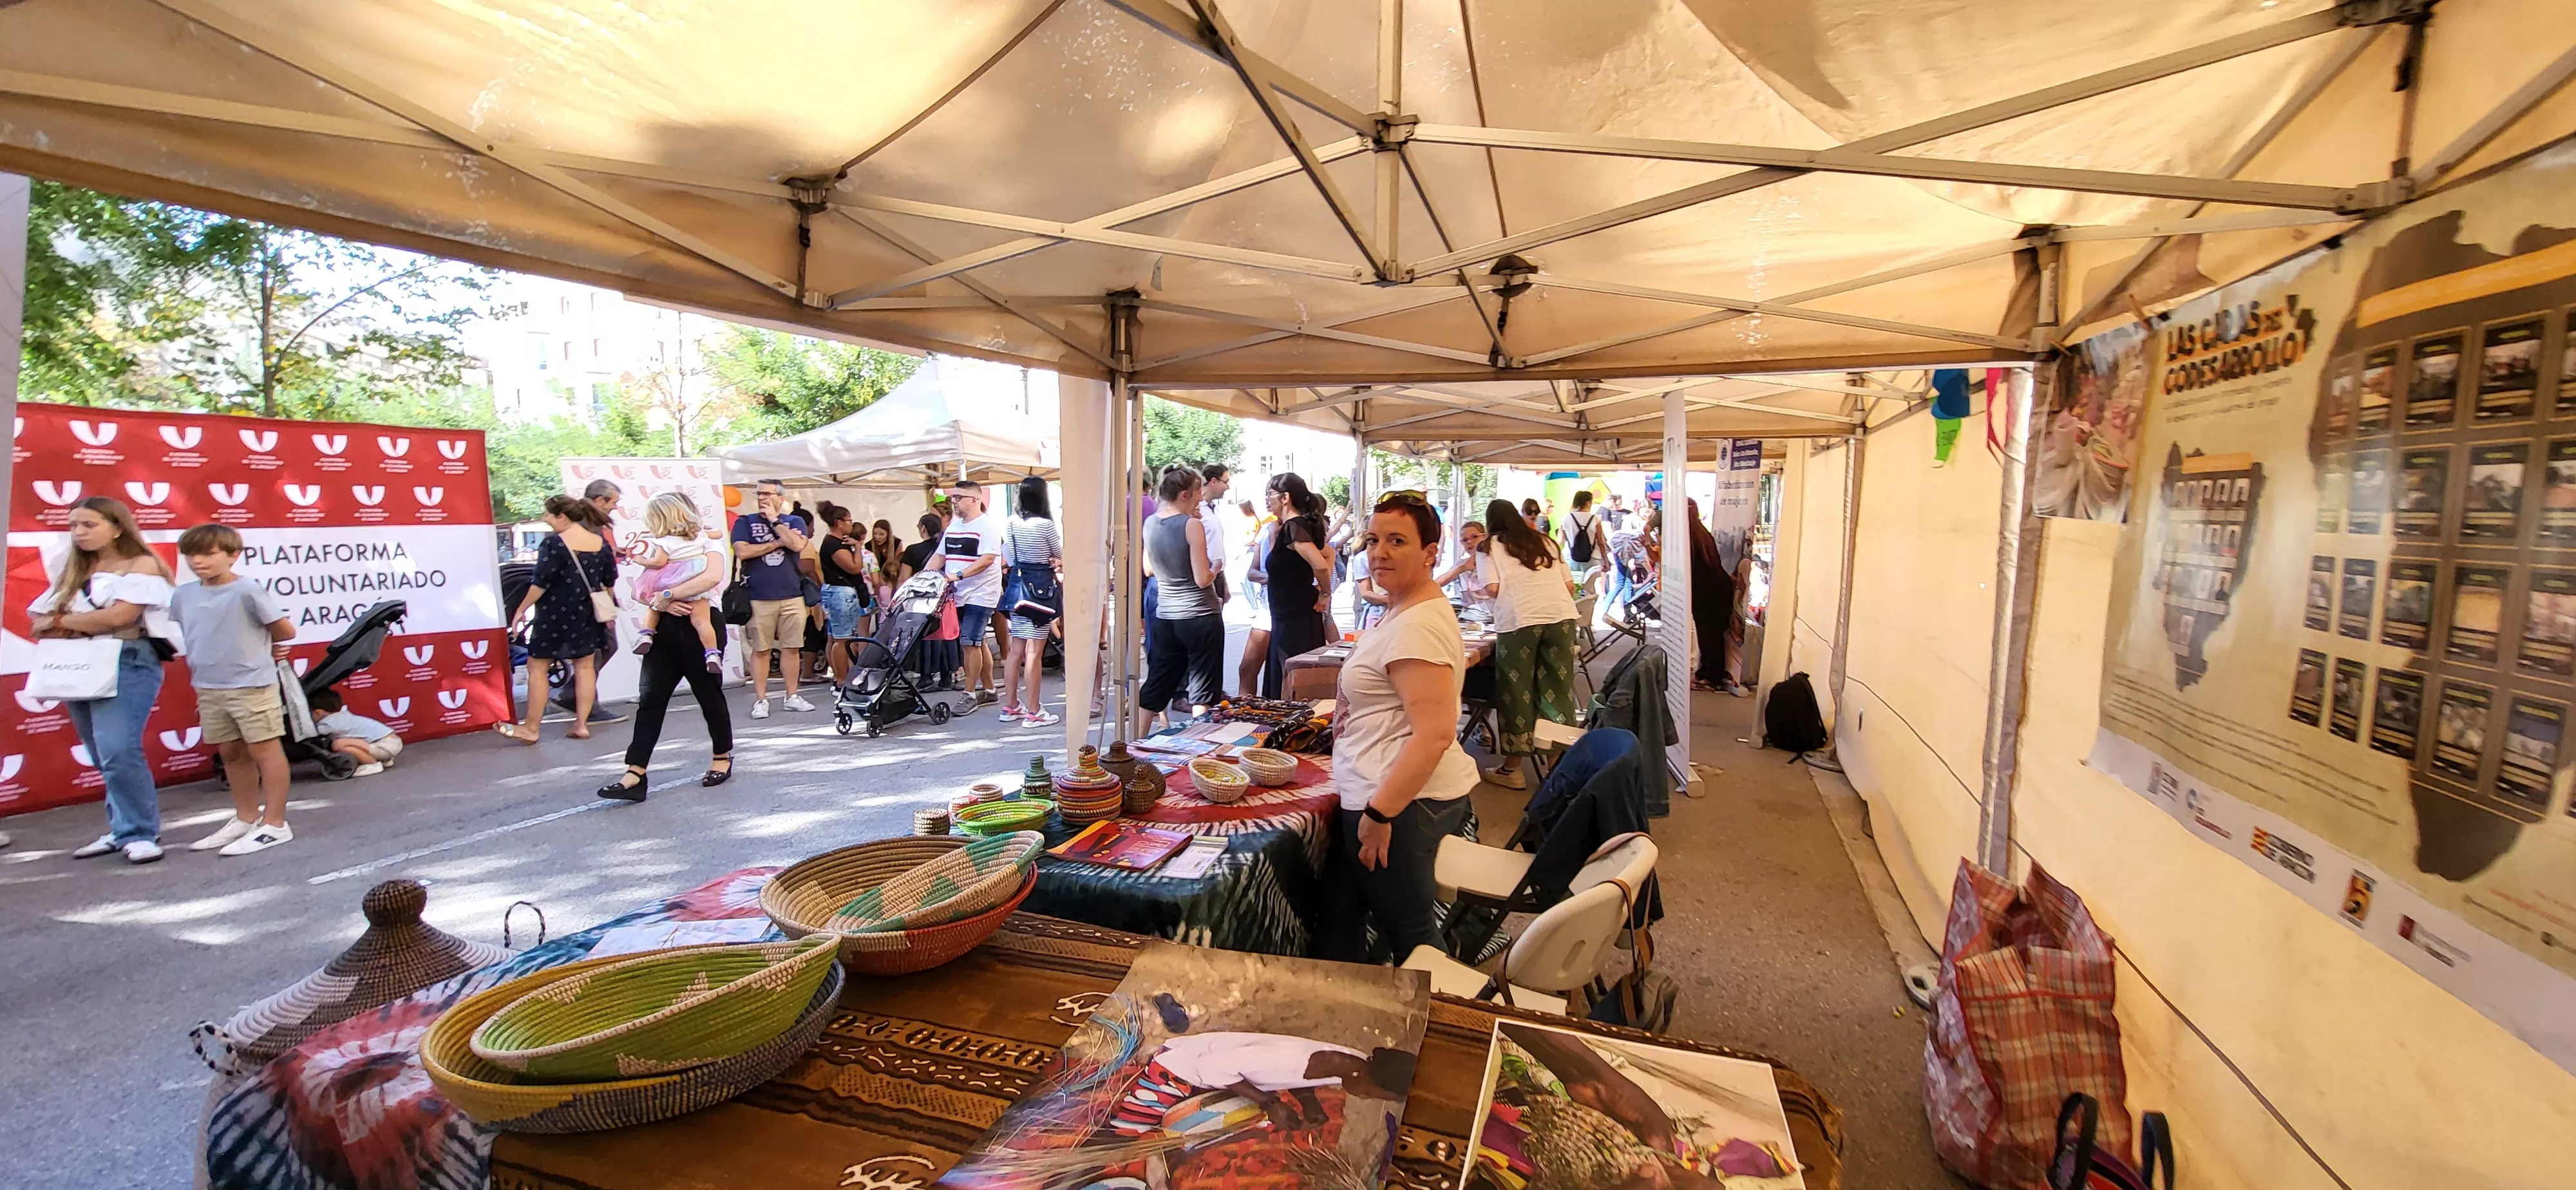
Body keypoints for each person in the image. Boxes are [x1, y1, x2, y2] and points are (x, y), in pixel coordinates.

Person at [1323, 493, 1479, 963]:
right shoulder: (1408, 609)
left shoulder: (1418, 627)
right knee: (1341, 924)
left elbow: (1434, 733)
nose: (1380, 552)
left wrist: (1380, 814)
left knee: (1414, 945)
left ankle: (1456, 1028)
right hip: (1386, 796)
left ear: (1431, 552)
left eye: (1397, 541)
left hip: (1398, 804)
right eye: (1373, 540)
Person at [28, 497, 178, 864]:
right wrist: (73, 624)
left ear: (117, 527)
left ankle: (140, 832)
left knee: (118, 749)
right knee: (100, 752)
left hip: (128, 660)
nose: (78, 533)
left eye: (88, 525)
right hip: (79, 662)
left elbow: (120, 618)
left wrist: (63, 623)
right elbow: (38, 623)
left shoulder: (141, 564)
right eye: (73, 526)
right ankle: (122, 828)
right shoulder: (73, 569)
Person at [165, 522, 301, 856]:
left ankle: (275, 823)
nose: (198, 561)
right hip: (209, 686)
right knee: (230, 751)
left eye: (209, 554)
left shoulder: (247, 591)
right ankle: (245, 818)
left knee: (265, 750)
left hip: (252, 685)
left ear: (233, 556)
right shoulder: (184, 594)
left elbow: (284, 630)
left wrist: (270, 647)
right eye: (191, 554)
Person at [600, 494, 733, 800]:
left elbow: (712, 576)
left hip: (701, 622)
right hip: (664, 625)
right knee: (650, 698)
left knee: (708, 694)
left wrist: (669, 594)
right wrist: (661, 601)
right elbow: (644, 589)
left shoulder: (708, 541)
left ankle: (722, 755)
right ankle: (636, 771)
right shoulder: (658, 545)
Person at [1477, 500, 1580, 790]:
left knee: (1516, 692)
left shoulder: (1489, 547)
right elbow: (1569, 586)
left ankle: (1513, 769)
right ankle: (1556, 769)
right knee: (1557, 690)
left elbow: (1493, 589)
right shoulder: (1545, 542)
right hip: (1561, 617)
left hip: (1519, 619)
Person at [500, 495, 614, 743]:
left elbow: (541, 582)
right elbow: (609, 581)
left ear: (561, 516)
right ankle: (582, 724)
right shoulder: (599, 542)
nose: (546, 519)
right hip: (587, 614)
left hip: (553, 614)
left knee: (537, 667)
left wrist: (521, 609)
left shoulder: (554, 544)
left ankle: (531, 728)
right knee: (585, 667)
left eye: (548, 515)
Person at [1139, 466, 1223, 735]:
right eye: (1198, 493)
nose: (1201, 498)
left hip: (1166, 614)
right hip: (1199, 614)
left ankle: (1135, 743)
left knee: (1159, 680)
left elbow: (1148, 569)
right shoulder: (1191, 525)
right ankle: (1200, 746)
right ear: (1185, 494)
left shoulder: (1151, 523)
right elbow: (1202, 578)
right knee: (1202, 687)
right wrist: (1217, 568)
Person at [732, 478, 813, 719]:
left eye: (767, 494)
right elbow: (743, 551)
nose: (762, 498)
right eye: (758, 494)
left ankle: (792, 696)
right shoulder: (745, 522)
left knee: (792, 647)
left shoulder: (794, 521)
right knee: (761, 649)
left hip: (792, 594)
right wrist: (778, 542)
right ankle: (761, 699)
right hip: (758, 595)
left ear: (780, 498)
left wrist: (775, 522)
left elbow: (798, 545)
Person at [627, 493, 723, 674]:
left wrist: (641, 560)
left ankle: (646, 634)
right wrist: (703, 529)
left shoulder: (662, 542)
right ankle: (712, 653)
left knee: (654, 607)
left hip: (670, 579)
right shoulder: (700, 535)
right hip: (694, 575)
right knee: (702, 621)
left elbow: (659, 562)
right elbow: (718, 533)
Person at [1259, 473, 1336, 697]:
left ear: (1286, 498)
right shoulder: (1291, 527)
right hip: (1287, 616)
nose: (1266, 499)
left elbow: (1321, 564)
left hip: (1296, 619)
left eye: (1269, 494)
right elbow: (1327, 556)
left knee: (1293, 681)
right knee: (1290, 677)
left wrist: (1325, 593)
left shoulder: (1294, 527)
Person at [999, 475, 1063, 726]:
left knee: (1016, 651)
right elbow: (1057, 554)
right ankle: (1034, 711)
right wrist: (1054, 561)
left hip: (1017, 588)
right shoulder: (1045, 525)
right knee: (1034, 652)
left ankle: (1011, 705)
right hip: (1040, 592)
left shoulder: (1012, 523)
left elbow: (1011, 556)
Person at [943, 478, 1006, 706]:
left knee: (969, 642)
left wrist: (958, 575)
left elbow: (988, 559)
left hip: (981, 594)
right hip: (958, 594)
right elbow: (940, 555)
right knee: (977, 642)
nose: (954, 502)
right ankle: (989, 689)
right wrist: (923, 576)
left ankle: (969, 693)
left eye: (958, 498)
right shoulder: (954, 527)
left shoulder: (987, 527)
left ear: (975, 500)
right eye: (953, 497)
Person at [815, 502, 871, 688]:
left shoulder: (838, 542)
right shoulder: (833, 544)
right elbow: (855, 567)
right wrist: (857, 549)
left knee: (845, 636)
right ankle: (841, 679)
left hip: (843, 593)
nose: (851, 524)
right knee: (842, 639)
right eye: (849, 521)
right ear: (839, 523)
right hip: (840, 593)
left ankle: (846, 675)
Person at [1687, 498, 1739, 693]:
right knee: (1708, 634)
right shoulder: (1699, 534)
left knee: (1711, 635)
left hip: (1709, 592)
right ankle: (1707, 672)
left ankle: (1712, 677)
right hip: (1712, 590)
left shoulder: (1693, 537)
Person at [900, 510, 954, 688]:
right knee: (946, 635)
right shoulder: (947, 548)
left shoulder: (912, 551)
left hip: (922, 599)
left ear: (923, 528)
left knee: (924, 637)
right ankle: (947, 676)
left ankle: (926, 676)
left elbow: (904, 579)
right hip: (945, 597)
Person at [309, 688, 400, 777]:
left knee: (338, 744)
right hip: (391, 742)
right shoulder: (342, 717)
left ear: (318, 713)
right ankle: (385, 759)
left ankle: (373, 764)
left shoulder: (330, 723)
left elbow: (312, 732)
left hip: (386, 745)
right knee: (349, 740)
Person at [1235, 497, 1273, 697]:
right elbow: (1252, 572)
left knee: (1282, 673)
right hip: (1266, 608)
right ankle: (1246, 714)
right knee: (1247, 668)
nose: (1267, 500)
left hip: (1291, 611)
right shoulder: (1265, 530)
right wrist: (1272, 578)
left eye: (1272, 494)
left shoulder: (1298, 530)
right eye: (1266, 495)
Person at [1434, 520, 1491, 620]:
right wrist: (1462, 569)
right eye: (1465, 540)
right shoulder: (1462, 564)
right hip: (1471, 617)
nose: (1469, 542)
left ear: (1485, 537)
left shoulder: (1495, 561)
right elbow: (1436, 584)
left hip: (1497, 615)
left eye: (1475, 537)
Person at [1196, 462, 1232, 607]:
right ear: (1213, 481)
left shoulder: (1213, 509)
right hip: (1205, 576)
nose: (1228, 487)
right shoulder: (1197, 509)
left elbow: (1215, 544)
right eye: (1226, 482)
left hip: (1217, 574)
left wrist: (1223, 581)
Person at [1562, 489, 1609, 592]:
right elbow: (1601, 542)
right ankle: (1587, 606)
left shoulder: (1566, 518)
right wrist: (1606, 561)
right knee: (1590, 588)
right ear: (1587, 503)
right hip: (1592, 559)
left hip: (1571, 557)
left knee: (1573, 589)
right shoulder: (1595, 518)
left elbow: (1560, 540)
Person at [866, 518, 902, 636]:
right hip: (875, 580)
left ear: (888, 534)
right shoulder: (869, 546)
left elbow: (897, 564)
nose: (878, 537)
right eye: (875, 534)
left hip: (891, 578)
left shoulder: (897, 543)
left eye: (881, 534)